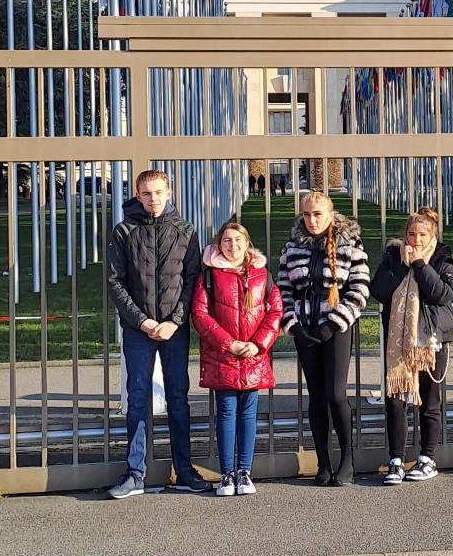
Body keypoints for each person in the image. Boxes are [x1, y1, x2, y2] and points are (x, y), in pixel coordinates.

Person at [105, 169, 207, 497]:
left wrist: (175, 321)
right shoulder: (124, 231)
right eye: (147, 193)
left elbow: (193, 279)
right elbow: (115, 282)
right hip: (138, 331)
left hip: (174, 330)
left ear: (169, 192)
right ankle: (135, 472)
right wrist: (143, 322)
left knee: (178, 399)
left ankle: (185, 470)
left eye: (159, 192)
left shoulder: (185, 232)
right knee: (138, 399)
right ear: (137, 195)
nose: (153, 199)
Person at [276, 190, 370, 485]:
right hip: (305, 327)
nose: (312, 220)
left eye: (318, 214)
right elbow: (282, 291)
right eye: (307, 214)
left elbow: (359, 289)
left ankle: (347, 459)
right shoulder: (292, 247)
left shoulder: (350, 244)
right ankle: (323, 462)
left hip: (335, 327)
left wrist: (335, 322)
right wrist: (292, 325)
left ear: (331, 215)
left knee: (335, 393)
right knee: (316, 396)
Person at [368, 206, 453, 484]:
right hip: (397, 342)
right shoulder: (393, 256)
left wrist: (419, 265)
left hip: (430, 340)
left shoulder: (444, 259)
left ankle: (427, 458)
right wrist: (402, 264)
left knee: (429, 401)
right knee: (396, 400)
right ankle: (396, 460)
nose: (416, 240)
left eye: (422, 234)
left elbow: (442, 294)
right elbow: (378, 291)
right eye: (411, 234)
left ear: (432, 235)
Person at [191, 219, 282, 497]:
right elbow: (200, 314)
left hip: (253, 356)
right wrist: (228, 343)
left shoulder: (262, 275)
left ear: (247, 243)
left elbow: (275, 311)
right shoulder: (209, 275)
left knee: (248, 413)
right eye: (227, 241)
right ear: (219, 244)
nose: (233, 246)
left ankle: (244, 471)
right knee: (227, 412)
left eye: (238, 240)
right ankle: (227, 473)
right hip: (224, 356)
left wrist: (258, 344)